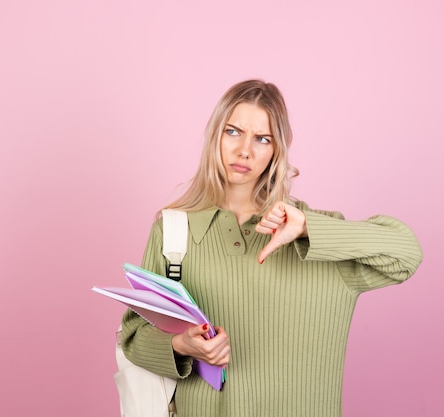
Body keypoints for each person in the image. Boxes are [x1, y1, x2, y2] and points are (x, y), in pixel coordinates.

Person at [121, 79, 423, 417]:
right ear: (214, 135)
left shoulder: (317, 235)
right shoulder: (174, 229)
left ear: (277, 150)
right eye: (233, 132)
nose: (244, 150)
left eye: (262, 139)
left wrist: (309, 228)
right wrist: (180, 345)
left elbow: (406, 254)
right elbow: (134, 336)